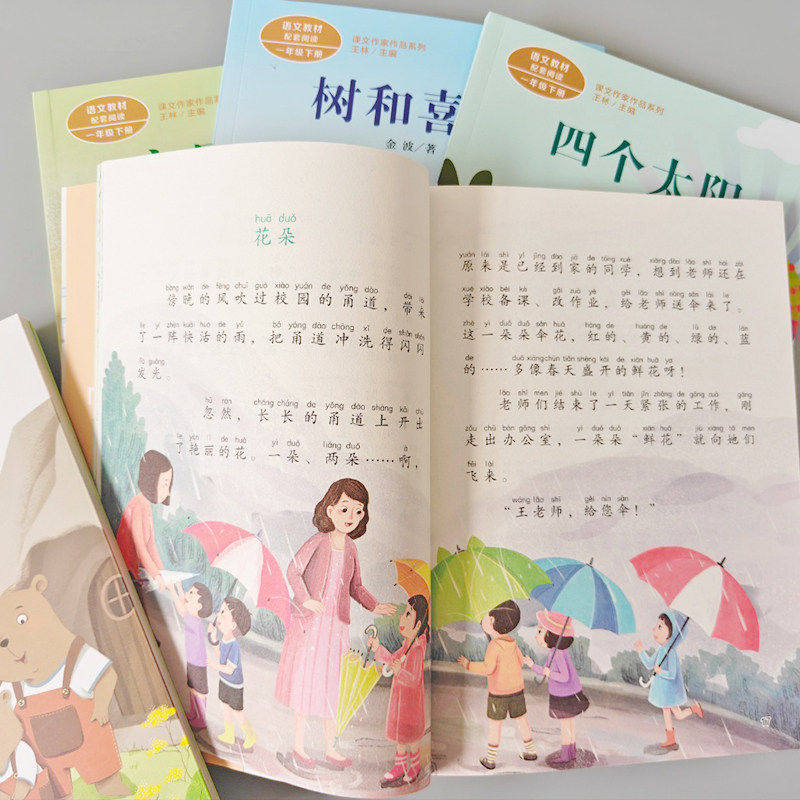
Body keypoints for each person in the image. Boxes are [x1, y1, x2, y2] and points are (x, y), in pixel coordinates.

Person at [274, 478, 396, 772]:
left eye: (358, 511)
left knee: (332, 685)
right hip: (312, 624)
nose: (351, 517)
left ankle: (330, 749)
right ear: (329, 510)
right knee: (306, 682)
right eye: (344, 509)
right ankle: (299, 748)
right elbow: (293, 571)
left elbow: (357, 586)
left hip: (336, 626)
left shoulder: (351, 548)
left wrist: (374, 605)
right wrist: (305, 599)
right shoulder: (318, 541)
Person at [457, 600, 537, 769]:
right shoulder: (512, 642)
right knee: (522, 719)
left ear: (492, 621)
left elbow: (488, 668)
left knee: (495, 724)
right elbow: (520, 662)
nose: (483, 620)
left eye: (486, 617)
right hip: (517, 690)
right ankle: (530, 751)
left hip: (499, 693)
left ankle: (491, 759)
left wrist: (468, 665)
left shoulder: (494, 645)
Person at [367, 594, 429, 788]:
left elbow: (414, 678)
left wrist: (400, 670)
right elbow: (391, 659)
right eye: (404, 613)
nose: (402, 618)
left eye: (408, 614)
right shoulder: (405, 647)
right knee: (401, 737)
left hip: (411, 704)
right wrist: (378, 648)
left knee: (412, 737)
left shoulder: (416, 649)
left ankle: (414, 766)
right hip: (400, 701)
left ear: (418, 625)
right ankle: (400, 767)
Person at [525, 610, 590, 767]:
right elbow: (545, 670)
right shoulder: (555, 652)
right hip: (567, 693)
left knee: (566, 725)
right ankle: (571, 752)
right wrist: (532, 665)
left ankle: (566, 755)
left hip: (564, 695)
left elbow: (564, 677)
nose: (536, 636)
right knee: (569, 723)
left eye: (540, 631)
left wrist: (550, 673)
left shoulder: (558, 654)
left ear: (552, 635)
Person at [635, 610, 703, 751]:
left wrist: (661, 672)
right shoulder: (661, 650)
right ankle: (672, 738)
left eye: (660, 627)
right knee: (672, 713)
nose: (655, 629)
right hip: (663, 690)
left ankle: (691, 713)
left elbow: (672, 674)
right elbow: (649, 664)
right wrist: (641, 651)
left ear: (671, 633)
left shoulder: (671, 653)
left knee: (675, 714)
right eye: (656, 625)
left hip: (670, 690)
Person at [115, 450, 173, 590]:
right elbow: (140, 546)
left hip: (134, 572)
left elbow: (151, 545)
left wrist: (163, 573)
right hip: (124, 572)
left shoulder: (146, 506)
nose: (168, 492)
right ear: (152, 480)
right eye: (165, 484)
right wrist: (156, 575)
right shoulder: (137, 505)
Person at [208, 597, 257, 751]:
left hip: (234, 685)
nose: (218, 614)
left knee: (237, 711)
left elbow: (229, 669)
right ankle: (229, 734)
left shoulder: (234, 645)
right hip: (225, 681)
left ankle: (250, 735)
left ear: (233, 624)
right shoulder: (225, 639)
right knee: (225, 707)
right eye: (220, 611)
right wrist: (214, 640)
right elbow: (221, 657)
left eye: (223, 612)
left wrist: (211, 665)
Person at [170, 582, 213, 732]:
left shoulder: (193, 620)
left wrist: (173, 589)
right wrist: (180, 588)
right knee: (192, 688)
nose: (188, 594)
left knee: (198, 691)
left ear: (199, 606)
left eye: (192, 593)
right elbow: (185, 603)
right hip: (192, 659)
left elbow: (181, 608)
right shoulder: (193, 617)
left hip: (197, 662)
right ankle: (194, 714)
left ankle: (201, 719)